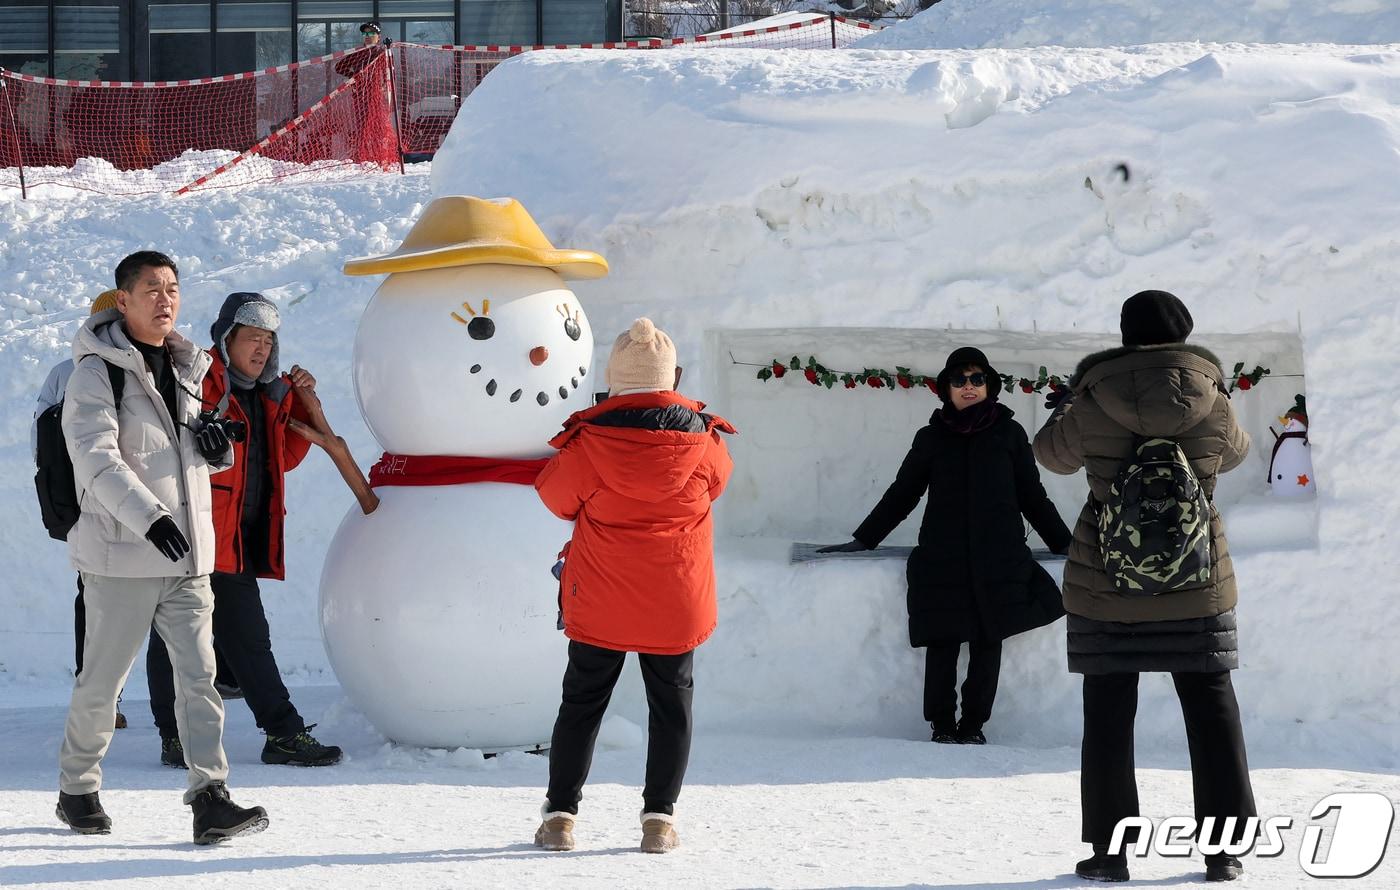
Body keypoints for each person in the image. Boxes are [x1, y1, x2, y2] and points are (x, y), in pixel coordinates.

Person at [1033, 290, 1255, 883]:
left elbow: (1049, 457)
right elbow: (1235, 456)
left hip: (1108, 579)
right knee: (1211, 710)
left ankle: (1110, 854)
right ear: (1185, 334)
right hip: (1196, 578)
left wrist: (1067, 409)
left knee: (1108, 712)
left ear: (1125, 335)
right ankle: (1223, 850)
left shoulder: (1094, 396)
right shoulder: (1211, 395)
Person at [57, 250, 268, 844]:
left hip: (186, 557)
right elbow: (96, 460)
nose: (165, 299)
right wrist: (149, 519)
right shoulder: (95, 374)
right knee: (103, 680)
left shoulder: (186, 367)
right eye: (151, 289)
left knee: (198, 677)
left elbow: (190, 458)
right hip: (123, 556)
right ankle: (77, 787)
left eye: (173, 288)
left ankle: (210, 796)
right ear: (122, 301)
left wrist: (215, 444)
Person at [532, 318, 735, 854]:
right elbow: (717, 485)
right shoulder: (704, 440)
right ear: (669, 379)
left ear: (616, 380)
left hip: (601, 594)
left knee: (582, 702)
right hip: (676, 594)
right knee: (671, 705)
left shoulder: (588, 443)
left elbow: (555, 499)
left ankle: (559, 818)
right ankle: (659, 821)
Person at [820, 347, 1072, 744]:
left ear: (990, 386)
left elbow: (1032, 496)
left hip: (998, 556)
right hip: (943, 556)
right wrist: (864, 539)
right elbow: (903, 493)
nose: (968, 387)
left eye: (976, 379)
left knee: (989, 639)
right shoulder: (932, 438)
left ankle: (973, 726)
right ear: (946, 389)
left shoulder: (1009, 434)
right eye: (959, 380)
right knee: (943, 640)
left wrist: (1064, 543)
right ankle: (941, 724)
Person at [147, 292, 342, 769]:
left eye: (268, 341)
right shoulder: (197, 381)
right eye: (252, 339)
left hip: (238, 538)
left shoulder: (267, 393)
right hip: (196, 533)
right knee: (231, 636)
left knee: (177, 635)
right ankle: (281, 732)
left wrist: (298, 400)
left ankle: (178, 736)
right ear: (226, 339)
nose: (261, 350)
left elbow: (285, 460)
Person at [34, 290, 129, 730]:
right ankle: (101, 697)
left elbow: (42, 446)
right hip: (91, 500)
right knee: (97, 598)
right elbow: (48, 446)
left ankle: (102, 697)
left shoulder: (63, 372)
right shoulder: (72, 371)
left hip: (93, 499)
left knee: (97, 600)